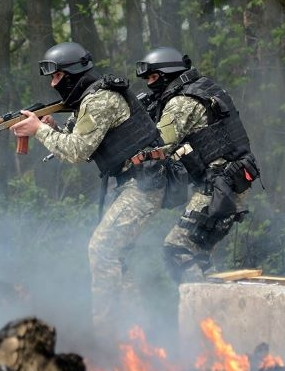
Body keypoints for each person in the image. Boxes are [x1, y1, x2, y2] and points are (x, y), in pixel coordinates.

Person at [10, 41, 170, 361]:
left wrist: (39, 129)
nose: (53, 83)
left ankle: (106, 340)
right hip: (133, 183)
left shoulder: (101, 99)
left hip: (144, 183)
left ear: (71, 73)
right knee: (117, 258)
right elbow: (76, 140)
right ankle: (136, 333)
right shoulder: (91, 98)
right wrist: (49, 127)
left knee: (103, 249)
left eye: (57, 76)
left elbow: (75, 151)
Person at [134, 46, 261, 284]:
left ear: (168, 75)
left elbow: (160, 146)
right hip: (230, 182)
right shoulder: (204, 89)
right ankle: (213, 314)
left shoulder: (181, 101)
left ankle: (200, 312)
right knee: (198, 256)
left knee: (177, 251)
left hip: (220, 186)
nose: (150, 84)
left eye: (153, 77)